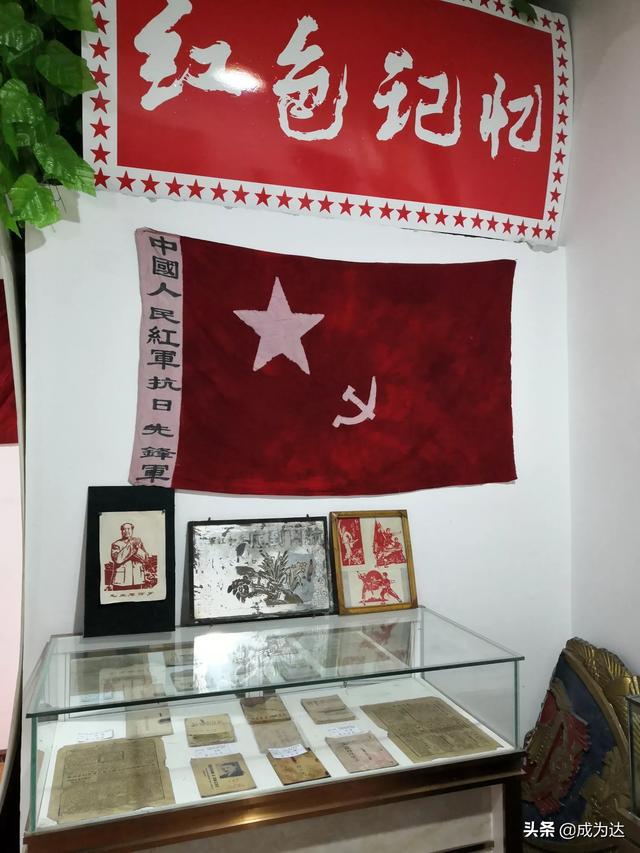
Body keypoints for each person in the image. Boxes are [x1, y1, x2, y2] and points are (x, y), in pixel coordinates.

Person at [110, 522, 149, 588]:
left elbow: (146, 558)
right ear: (121, 531)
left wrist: (136, 549)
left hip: (138, 579)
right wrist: (132, 545)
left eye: (128, 529)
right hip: (121, 581)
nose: (126, 531)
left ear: (132, 530)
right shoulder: (116, 544)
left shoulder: (138, 542)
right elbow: (117, 560)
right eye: (124, 529)